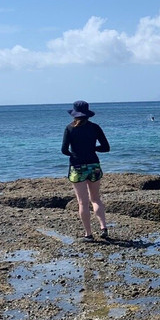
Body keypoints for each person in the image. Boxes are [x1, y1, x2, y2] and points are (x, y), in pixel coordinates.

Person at [61, 100, 110, 241]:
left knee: (82, 202)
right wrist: (92, 149)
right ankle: (103, 227)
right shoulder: (95, 127)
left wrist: (75, 154)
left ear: (74, 114)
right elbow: (106, 148)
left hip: (77, 167)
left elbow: (64, 150)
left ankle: (88, 234)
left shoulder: (69, 128)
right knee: (96, 199)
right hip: (94, 165)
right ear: (88, 114)